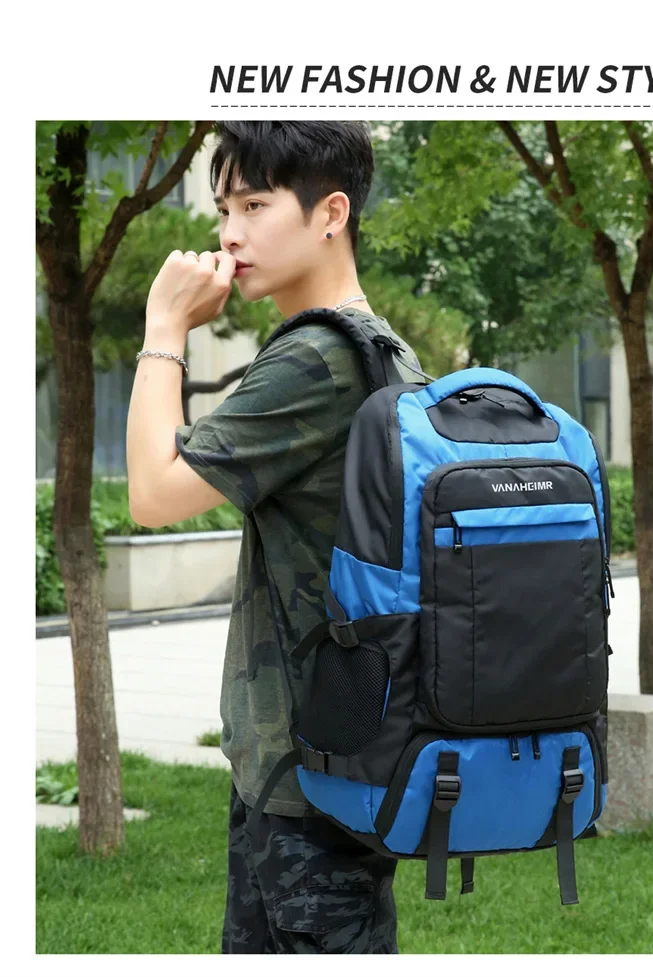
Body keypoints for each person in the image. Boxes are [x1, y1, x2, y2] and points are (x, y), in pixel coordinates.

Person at [126, 121, 423, 953]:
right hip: (347, 755)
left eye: (255, 205)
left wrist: (165, 328)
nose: (229, 233)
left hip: (305, 783)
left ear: (332, 213)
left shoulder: (317, 360)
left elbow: (151, 492)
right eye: (224, 209)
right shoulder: (382, 347)